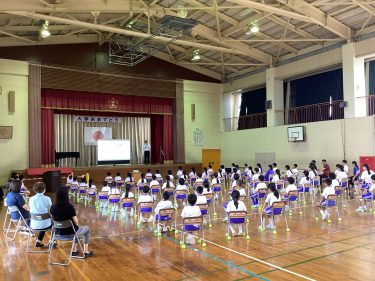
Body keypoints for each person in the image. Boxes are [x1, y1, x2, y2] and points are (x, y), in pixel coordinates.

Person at [50, 188, 93, 257]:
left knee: (75, 228)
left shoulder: (52, 207)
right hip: (71, 233)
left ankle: (74, 250)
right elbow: (76, 221)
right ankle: (85, 251)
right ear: (66, 196)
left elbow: (53, 220)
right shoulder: (69, 207)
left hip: (58, 233)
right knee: (85, 229)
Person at [28, 182, 52, 247]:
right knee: (52, 223)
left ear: (34, 189)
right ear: (44, 189)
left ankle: (39, 241)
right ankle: (52, 241)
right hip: (45, 223)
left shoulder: (31, 199)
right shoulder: (47, 198)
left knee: (43, 221)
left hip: (34, 224)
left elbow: (30, 209)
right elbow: (50, 212)